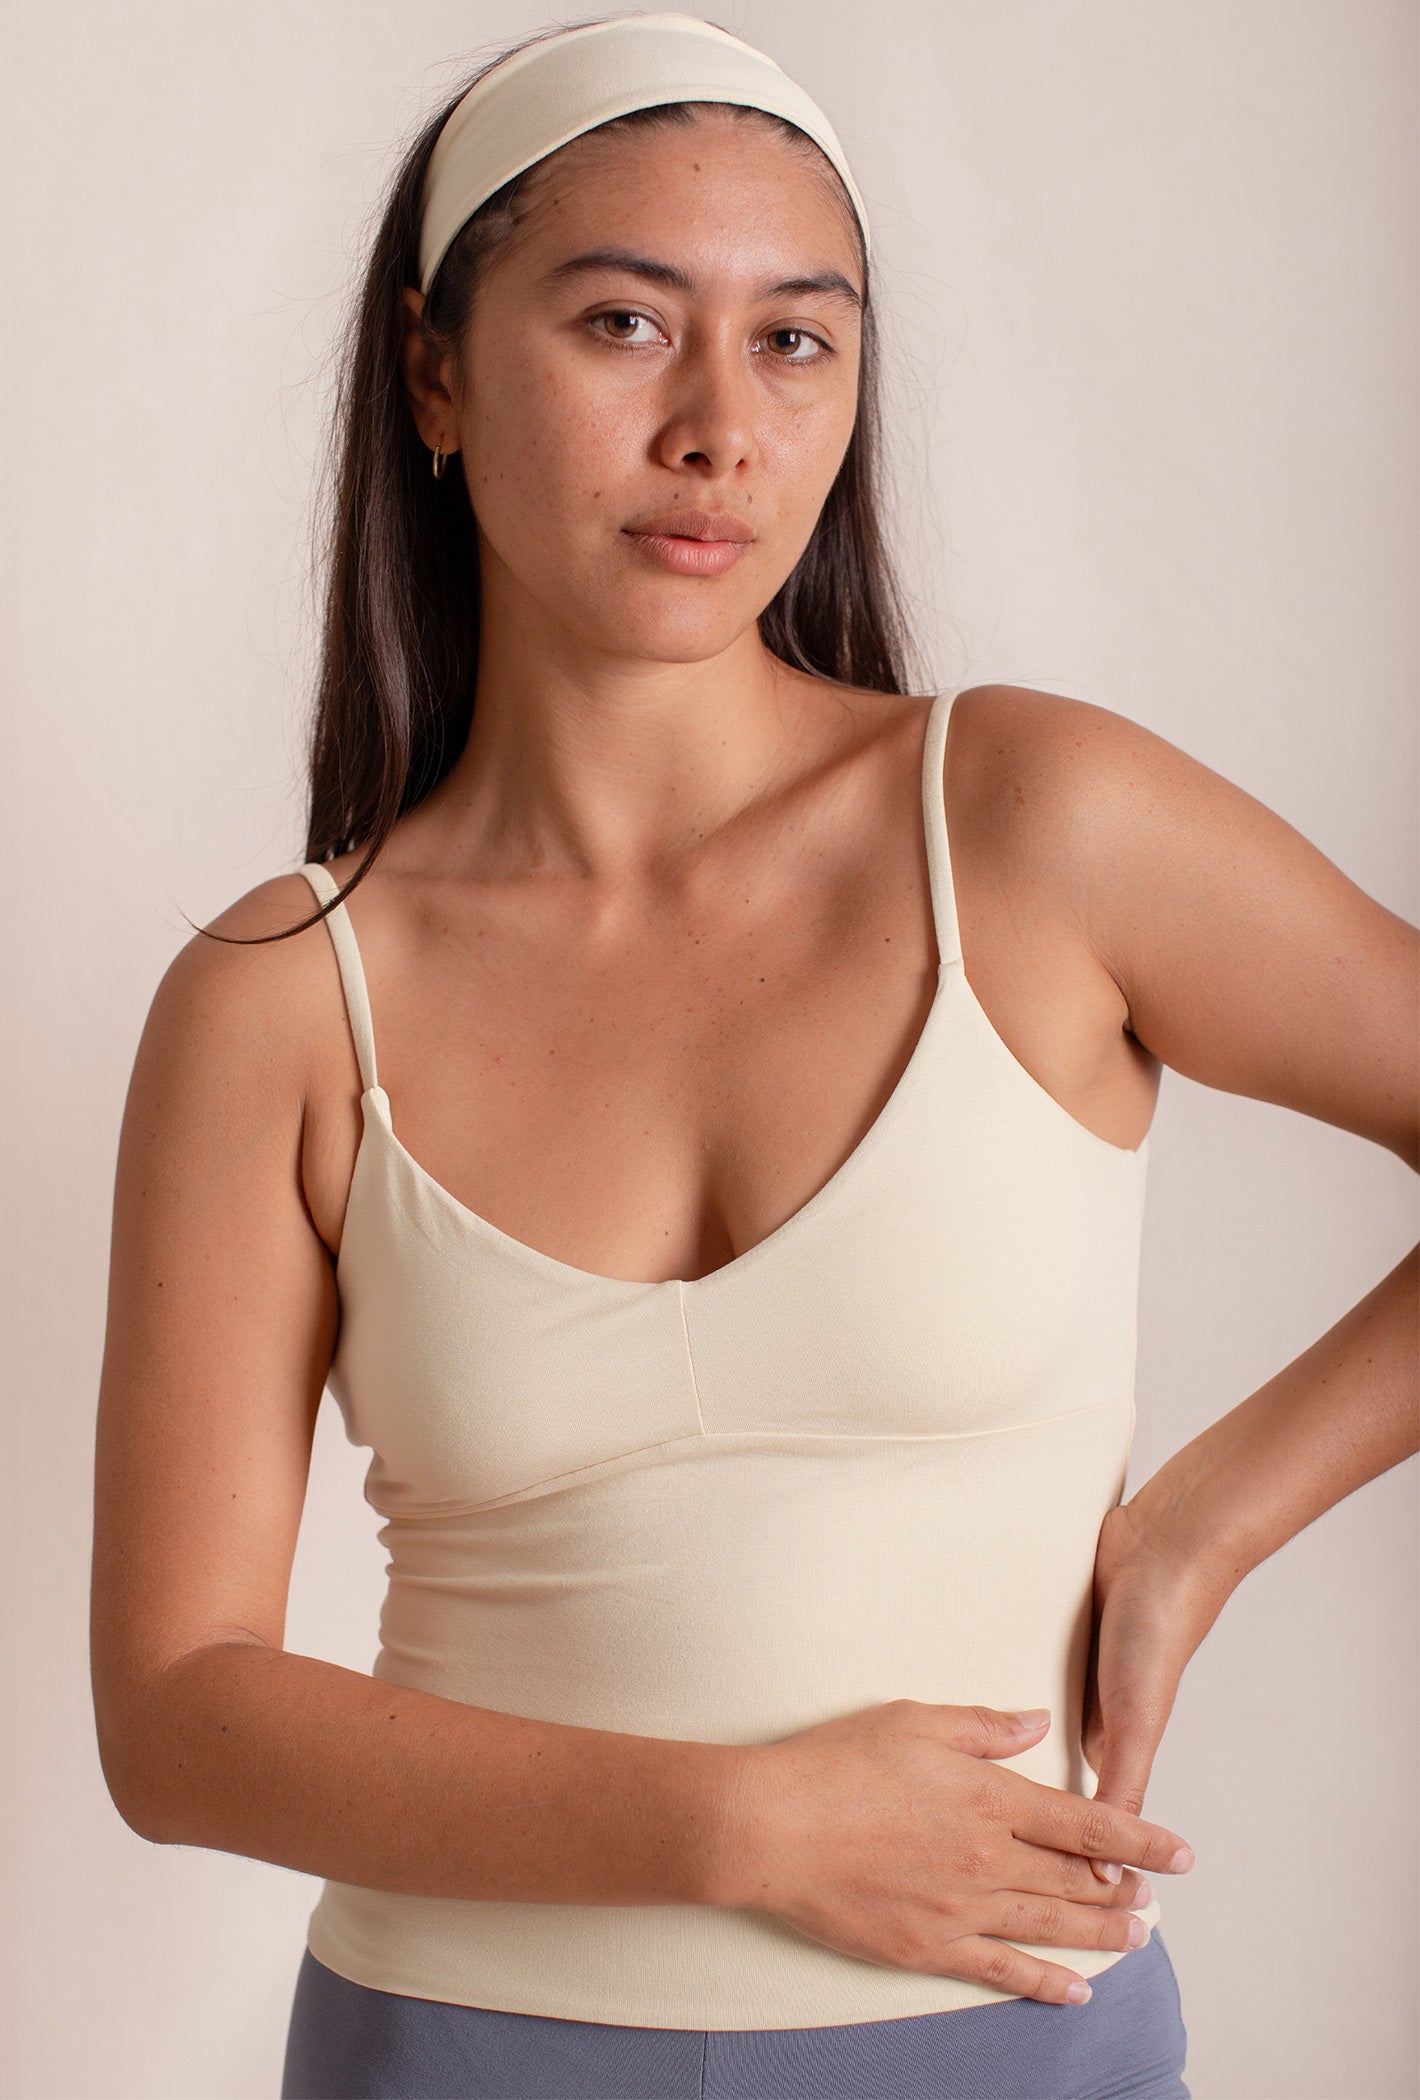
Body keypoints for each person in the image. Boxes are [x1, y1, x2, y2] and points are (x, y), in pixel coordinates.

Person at [88, 14, 1419, 2099]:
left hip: (1013, 2046)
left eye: (796, 341)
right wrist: (749, 1827)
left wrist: (1207, 1523)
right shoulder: (285, 997)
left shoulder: (1034, 828)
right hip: (453, 2048)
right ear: (435, 375)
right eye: (624, 323)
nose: (720, 426)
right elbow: (176, 1715)